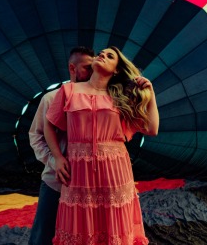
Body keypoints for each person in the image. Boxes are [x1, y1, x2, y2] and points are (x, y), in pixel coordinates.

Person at [45, 46, 159, 244]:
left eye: (109, 56)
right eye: (101, 53)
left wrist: (151, 94)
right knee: (79, 225)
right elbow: (49, 126)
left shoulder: (122, 96)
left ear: (116, 69)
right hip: (78, 171)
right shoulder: (69, 90)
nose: (102, 56)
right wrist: (58, 157)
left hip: (115, 171)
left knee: (114, 226)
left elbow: (152, 129)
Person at [28, 46, 95, 245]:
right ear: (72, 68)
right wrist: (54, 161)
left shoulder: (98, 101)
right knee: (44, 235)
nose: (92, 72)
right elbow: (36, 135)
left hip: (88, 184)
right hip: (56, 182)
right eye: (87, 68)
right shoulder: (50, 98)